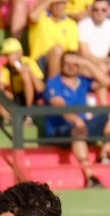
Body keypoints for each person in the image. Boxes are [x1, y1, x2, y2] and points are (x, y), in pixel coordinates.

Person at [41, 50, 110, 188]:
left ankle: (104, 153)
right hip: (59, 131)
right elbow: (60, 107)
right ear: (61, 65)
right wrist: (77, 121)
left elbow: (105, 81)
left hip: (83, 126)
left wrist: (85, 62)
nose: (71, 66)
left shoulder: (83, 81)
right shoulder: (53, 83)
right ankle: (90, 176)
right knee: (78, 130)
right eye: (67, 63)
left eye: (74, 63)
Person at [28, 0, 79, 79]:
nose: (59, 6)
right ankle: (53, 88)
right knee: (57, 49)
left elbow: (72, 50)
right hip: (39, 62)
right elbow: (32, 17)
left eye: (62, 3)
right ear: (50, 4)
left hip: (62, 62)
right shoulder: (42, 17)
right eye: (56, 3)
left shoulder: (71, 24)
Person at [0, 37, 45, 125]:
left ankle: (29, 114)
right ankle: (8, 118)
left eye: (11, 54)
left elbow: (40, 88)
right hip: (16, 97)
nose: (9, 57)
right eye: (7, 54)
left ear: (20, 53)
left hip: (33, 97)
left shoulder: (29, 62)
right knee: (1, 94)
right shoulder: (5, 67)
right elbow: (2, 86)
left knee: (25, 75)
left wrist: (28, 71)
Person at [78, 0, 110, 73]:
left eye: (103, 10)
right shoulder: (83, 25)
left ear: (109, 10)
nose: (100, 12)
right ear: (92, 10)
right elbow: (85, 54)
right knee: (102, 69)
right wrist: (104, 62)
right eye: (96, 10)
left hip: (105, 64)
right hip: (86, 63)